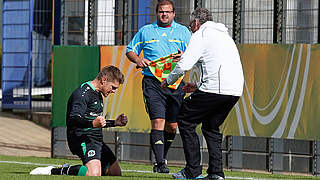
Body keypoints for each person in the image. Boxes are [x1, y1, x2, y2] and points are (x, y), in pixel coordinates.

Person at [161, 8, 244, 180]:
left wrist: (167, 81)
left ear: (197, 23)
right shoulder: (224, 36)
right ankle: (216, 173)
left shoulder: (201, 34)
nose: (190, 29)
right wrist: (198, 85)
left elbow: (184, 65)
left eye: (191, 25)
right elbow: (218, 64)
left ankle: (192, 171)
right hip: (234, 91)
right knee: (211, 127)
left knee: (184, 119)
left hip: (215, 89)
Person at [126, 0, 191, 173]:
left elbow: (193, 55)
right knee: (158, 121)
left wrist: (185, 56)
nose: (164, 14)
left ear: (174, 13)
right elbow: (130, 50)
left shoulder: (184, 32)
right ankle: (160, 163)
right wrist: (138, 59)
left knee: (172, 126)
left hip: (176, 83)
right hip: (153, 83)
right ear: (157, 13)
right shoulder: (146, 31)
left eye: (168, 12)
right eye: (161, 12)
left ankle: (162, 157)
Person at [30, 65, 128, 176]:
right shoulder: (82, 94)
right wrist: (92, 123)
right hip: (81, 137)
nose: (114, 91)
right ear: (104, 80)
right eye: (113, 87)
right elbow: (74, 119)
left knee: (115, 173)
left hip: (96, 139)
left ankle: (91, 168)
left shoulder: (98, 94)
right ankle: (54, 171)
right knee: (93, 174)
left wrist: (115, 122)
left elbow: (95, 121)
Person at [33, 0, 52, 87]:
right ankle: (39, 80)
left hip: (44, 27)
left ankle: (40, 80)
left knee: (43, 55)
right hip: (41, 27)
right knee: (40, 55)